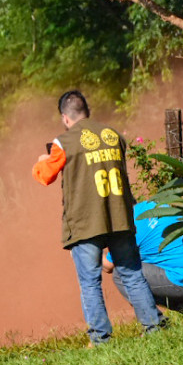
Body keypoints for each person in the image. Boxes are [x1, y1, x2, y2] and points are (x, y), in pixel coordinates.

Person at [32, 90, 163, 345]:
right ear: (87, 111)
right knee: (132, 274)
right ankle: (154, 327)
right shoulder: (113, 135)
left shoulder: (63, 142)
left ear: (65, 118)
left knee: (90, 282)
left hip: (86, 222)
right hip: (119, 217)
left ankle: (101, 338)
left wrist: (41, 161)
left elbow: (45, 176)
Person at [103, 201, 183, 315]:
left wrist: (90, 245)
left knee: (122, 274)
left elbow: (108, 266)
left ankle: (153, 322)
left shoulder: (129, 226)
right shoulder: (153, 204)